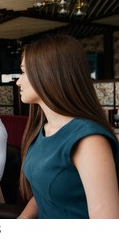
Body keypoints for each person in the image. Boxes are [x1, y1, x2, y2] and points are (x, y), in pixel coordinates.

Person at [16, 35, 119, 219]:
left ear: (48, 73)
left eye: (24, 72)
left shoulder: (89, 141)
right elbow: (44, 195)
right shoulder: (44, 128)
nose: (18, 81)